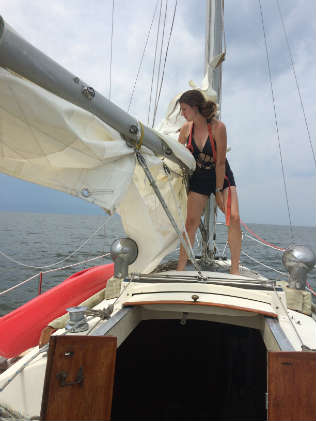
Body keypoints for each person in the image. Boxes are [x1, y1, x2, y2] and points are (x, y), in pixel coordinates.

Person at [176, 89, 241, 274]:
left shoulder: (218, 128)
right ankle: (180, 268)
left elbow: (220, 162)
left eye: (184, 109)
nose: (182, 113)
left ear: (195, 108)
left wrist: (219, 191)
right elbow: (177, 155)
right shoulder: (186, 130)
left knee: (233, 217)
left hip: (221, 175)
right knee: (190, 223)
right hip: (200, 177)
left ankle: (234, 270)